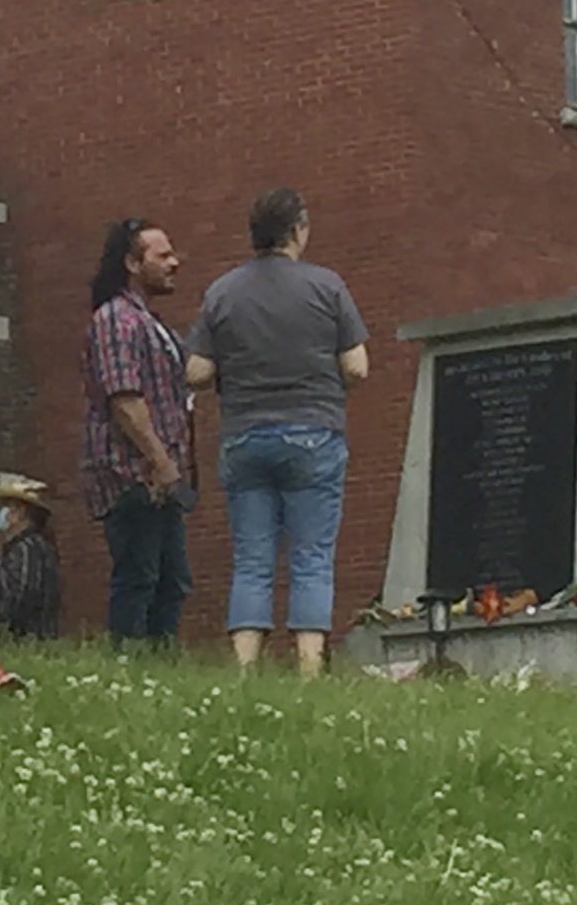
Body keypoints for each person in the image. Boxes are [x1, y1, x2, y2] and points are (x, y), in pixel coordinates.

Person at [186, 185, 371, 672]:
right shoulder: (327, 286)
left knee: (252, 558)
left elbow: (197, 373)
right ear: (297, 230)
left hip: (244, 437)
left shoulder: (222, 291)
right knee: (311, 555)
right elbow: (357, 367)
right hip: (314, 434)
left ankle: (246, 667)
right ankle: (310, 667)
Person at [82, 215, 197, 651]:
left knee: (172, 579)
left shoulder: (150, 323)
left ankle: (158, 668)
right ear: (132, 262)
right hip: (130, 473)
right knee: (139, 576)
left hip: (157, 475)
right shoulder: (116, 320)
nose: (175, 262)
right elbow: (123, 398)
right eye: (162, 255)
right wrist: (162, 462)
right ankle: (128, 664)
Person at [0, 483, 66, 639]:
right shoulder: (37, 545)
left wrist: (4, 630)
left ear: (21, 512)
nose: (1, 513)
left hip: (27, 638)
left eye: (7, 506)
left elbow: (23, 595)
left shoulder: (26, 548)